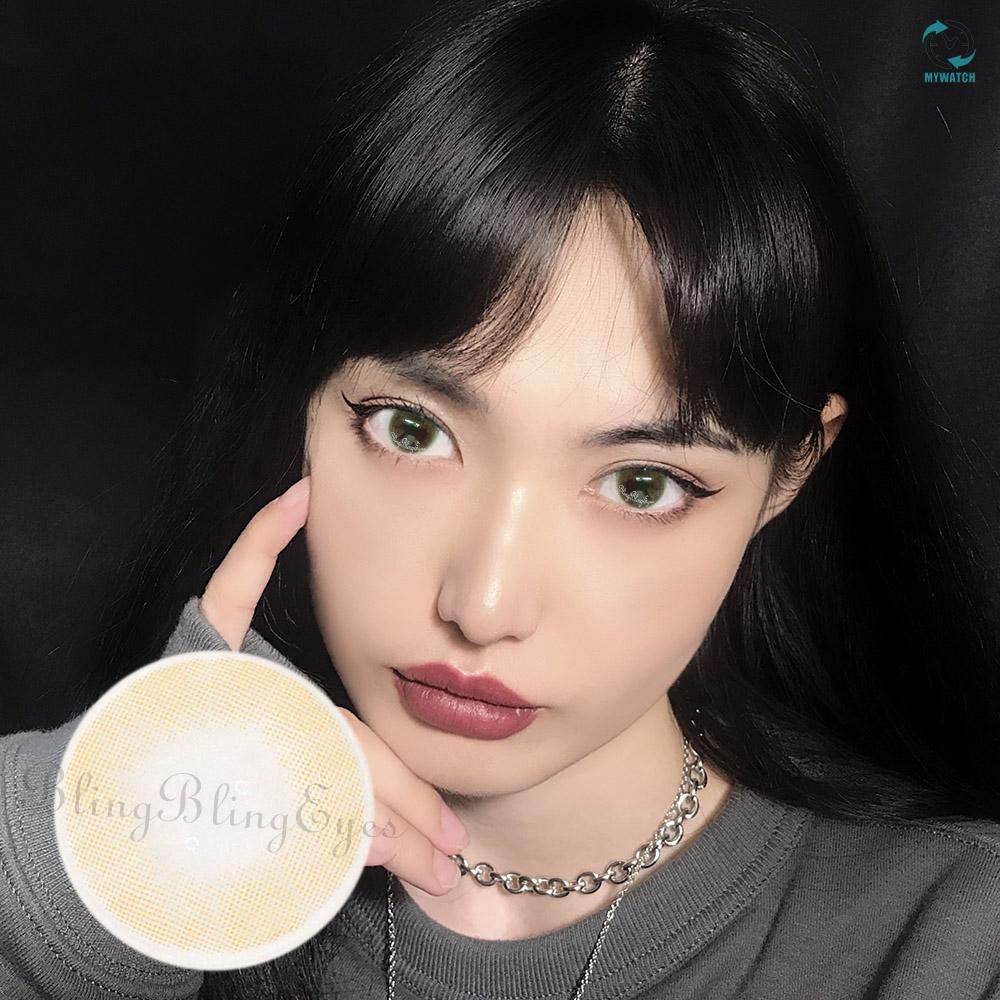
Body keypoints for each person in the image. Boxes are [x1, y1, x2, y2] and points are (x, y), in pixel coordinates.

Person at [2, 0, 1000, 997]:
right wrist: (91, 861)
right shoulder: (131, 870)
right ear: (304, 398)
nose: (482, 608)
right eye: (412, 430)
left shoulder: (950, 945)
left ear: (790, 472)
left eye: (641, 483)